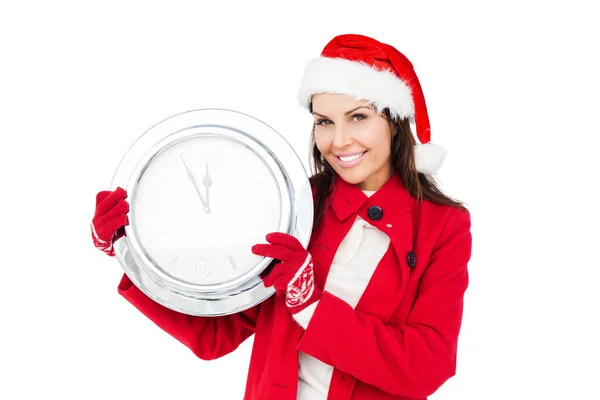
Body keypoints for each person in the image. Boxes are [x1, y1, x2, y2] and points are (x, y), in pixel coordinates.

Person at [90, 33, 472, 400]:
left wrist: (310, 305)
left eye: (358, 117)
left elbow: (427, 365)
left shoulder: (443, 226)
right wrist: (132, 253)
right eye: (324, 121)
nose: (338, 141)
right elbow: (216, 333)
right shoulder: (294, 202)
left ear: (395, 121)